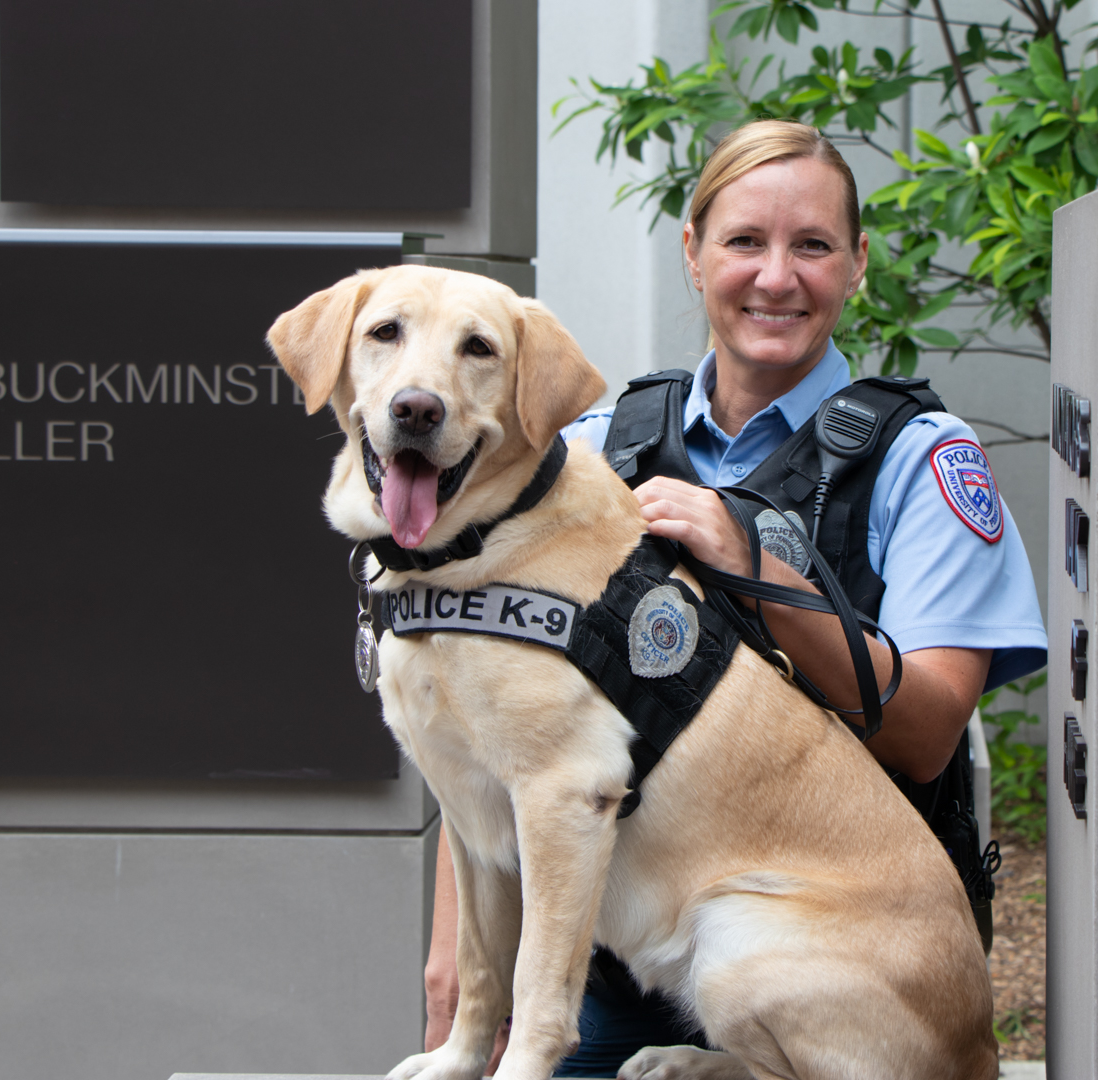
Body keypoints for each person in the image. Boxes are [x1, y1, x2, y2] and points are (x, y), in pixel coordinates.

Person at [422, 120, 1048, 1077]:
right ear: (694, 251)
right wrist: (462, 972)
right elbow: (490, 718)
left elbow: (924, 736)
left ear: (857, 263)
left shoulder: (921, 460)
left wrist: (758, 566)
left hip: (818, 947)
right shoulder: (591, 446)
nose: (776, 276)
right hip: (599, 963)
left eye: (813, 246)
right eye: (745, 242)